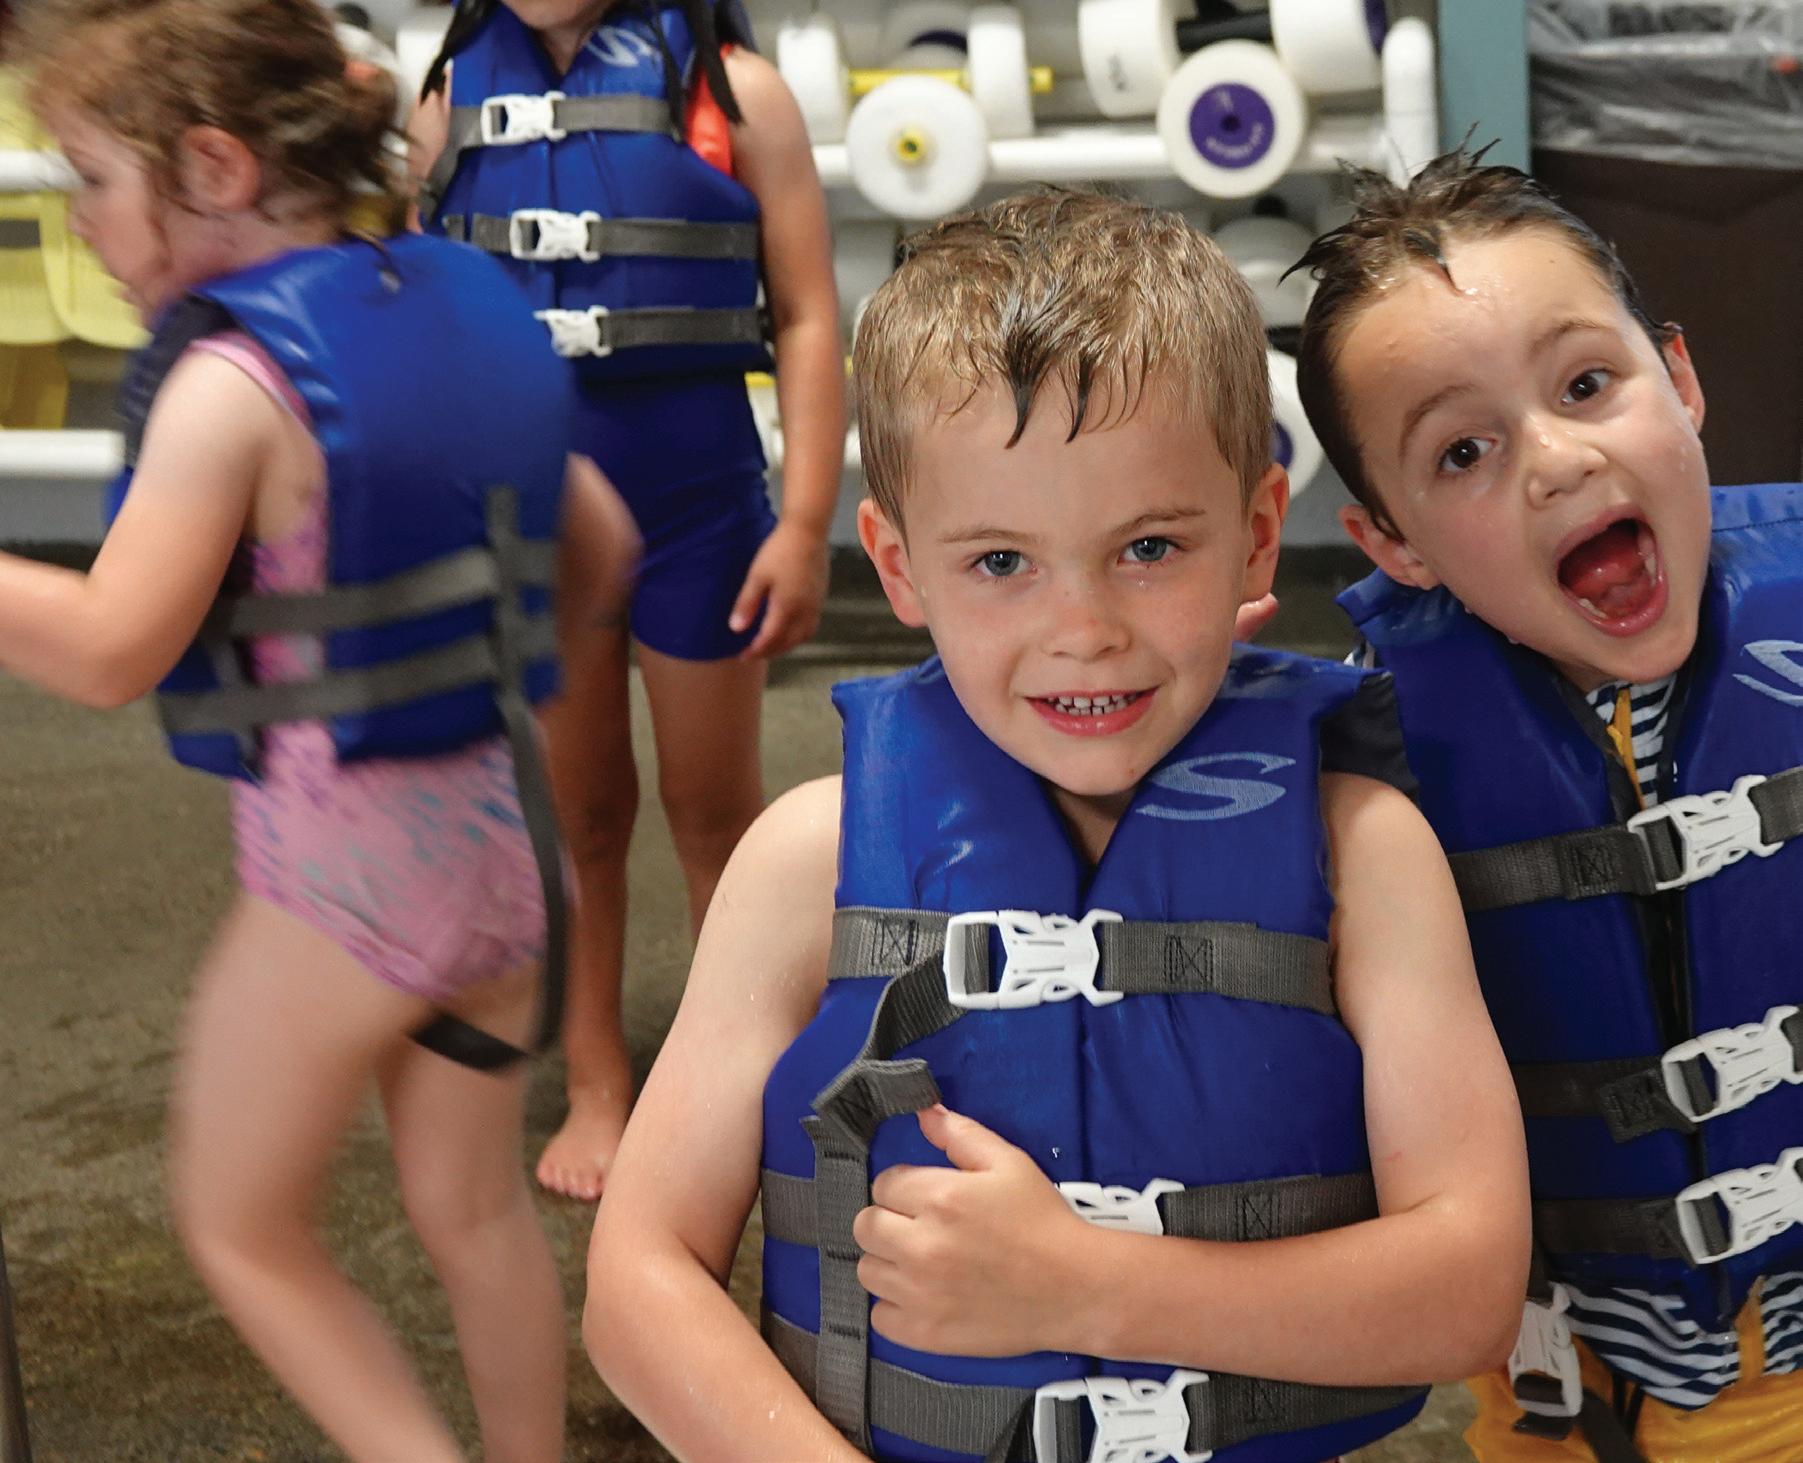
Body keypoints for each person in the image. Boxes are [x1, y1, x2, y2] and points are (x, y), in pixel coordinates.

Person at [582, 188, 1529, 1463]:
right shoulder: (806, 863)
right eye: (1000, 562)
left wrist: (1085, 1285)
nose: (1084, 629)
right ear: (899, 562)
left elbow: (1471, 1287)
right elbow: (636, 1278)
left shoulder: (1365, 854)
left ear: (1257, 536)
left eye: (1150, 547)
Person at [8, 2, 636, 1457]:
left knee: (239, 1224)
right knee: (473, 1209)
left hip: (351, 879)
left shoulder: (231, 385)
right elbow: (600, 547)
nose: (83, 221)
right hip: (508, 849)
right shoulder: (465, 299)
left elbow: (109, 649)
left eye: (93, 179)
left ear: (214, 168)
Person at [1296, 147, 1803, 1460]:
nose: (1555, 460)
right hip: (1560, 1393)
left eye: (1585, 384)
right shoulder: (1366, 741)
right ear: (1392, 542)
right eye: (1461, 450)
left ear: (1679, 379)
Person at [407, 0, 845, 1202]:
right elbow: (423, 324)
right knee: (579, 814)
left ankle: (739, 1070)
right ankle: (597, 1077)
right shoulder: (446, 104)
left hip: (703, 517)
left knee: (716, 813)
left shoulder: (740, 96)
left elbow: (808, 316)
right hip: (529, 522)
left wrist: (805, 523)